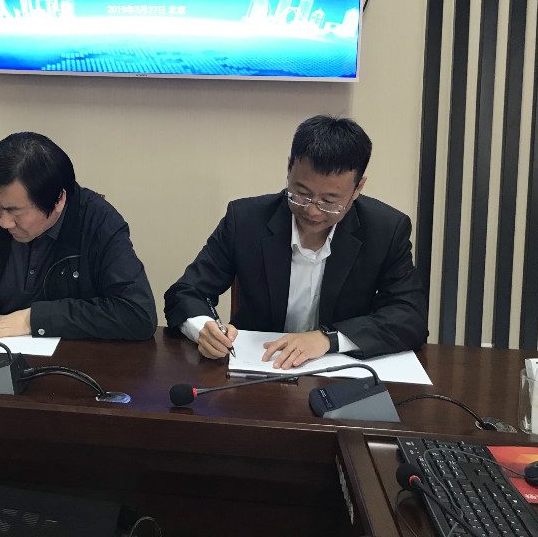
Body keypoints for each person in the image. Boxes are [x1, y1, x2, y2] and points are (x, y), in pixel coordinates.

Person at [164, 115, 428, 367]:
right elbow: (185, 292)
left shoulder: (385, 229)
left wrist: (328, 339)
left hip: (340, 377)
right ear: (289, 168)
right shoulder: (245, 220)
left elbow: (410, 318)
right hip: (259, 368)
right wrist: (203, 328)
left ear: (358, 188)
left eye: (329, 201)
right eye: (302, 194)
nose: (312, 211)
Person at [0, 131, 157, 342]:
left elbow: (137, 314)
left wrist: (34, 319)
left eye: (15, 212)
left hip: (65, 364)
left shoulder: (98, 222)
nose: (3, 222)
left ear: (58, 200)